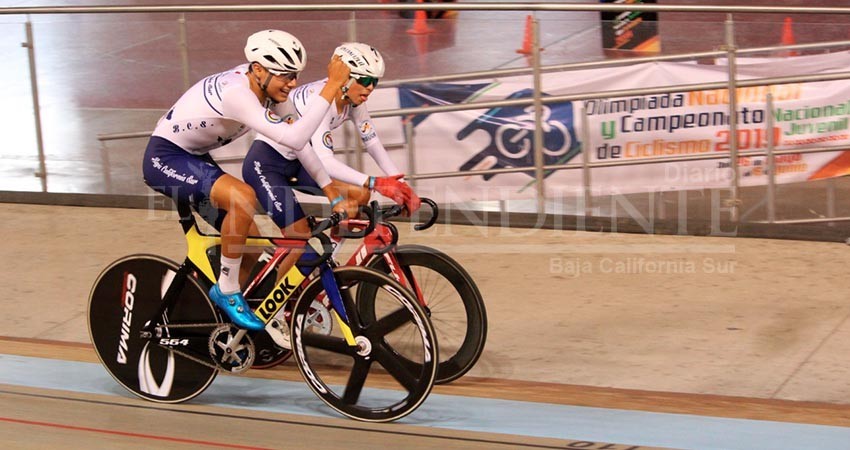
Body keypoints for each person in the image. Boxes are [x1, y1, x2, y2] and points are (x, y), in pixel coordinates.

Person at [142, 29, 358, 332]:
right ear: (258, 70)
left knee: (249, 245)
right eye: (285, 75)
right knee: (243, 197)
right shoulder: (238, 93)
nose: (293, 83)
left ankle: (221, 327)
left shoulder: (269, 92)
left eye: (295, 75)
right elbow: (295, 134)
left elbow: (299, 143)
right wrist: (333, 84)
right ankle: (227, 290)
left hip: (193, 156)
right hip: (164, 157)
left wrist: (330, 190)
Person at [243, 41, 420, 254]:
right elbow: (325, 160)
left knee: (359, 195)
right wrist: (376, 182)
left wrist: (401, 185)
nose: (370, 87)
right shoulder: (319, 100)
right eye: (364, 80)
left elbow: (371, 141)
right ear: (344, 79)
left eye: (374, 81)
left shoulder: (354, 99)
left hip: (301, 162)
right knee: (298, 238)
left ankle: (329, 260)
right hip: (267, 166)